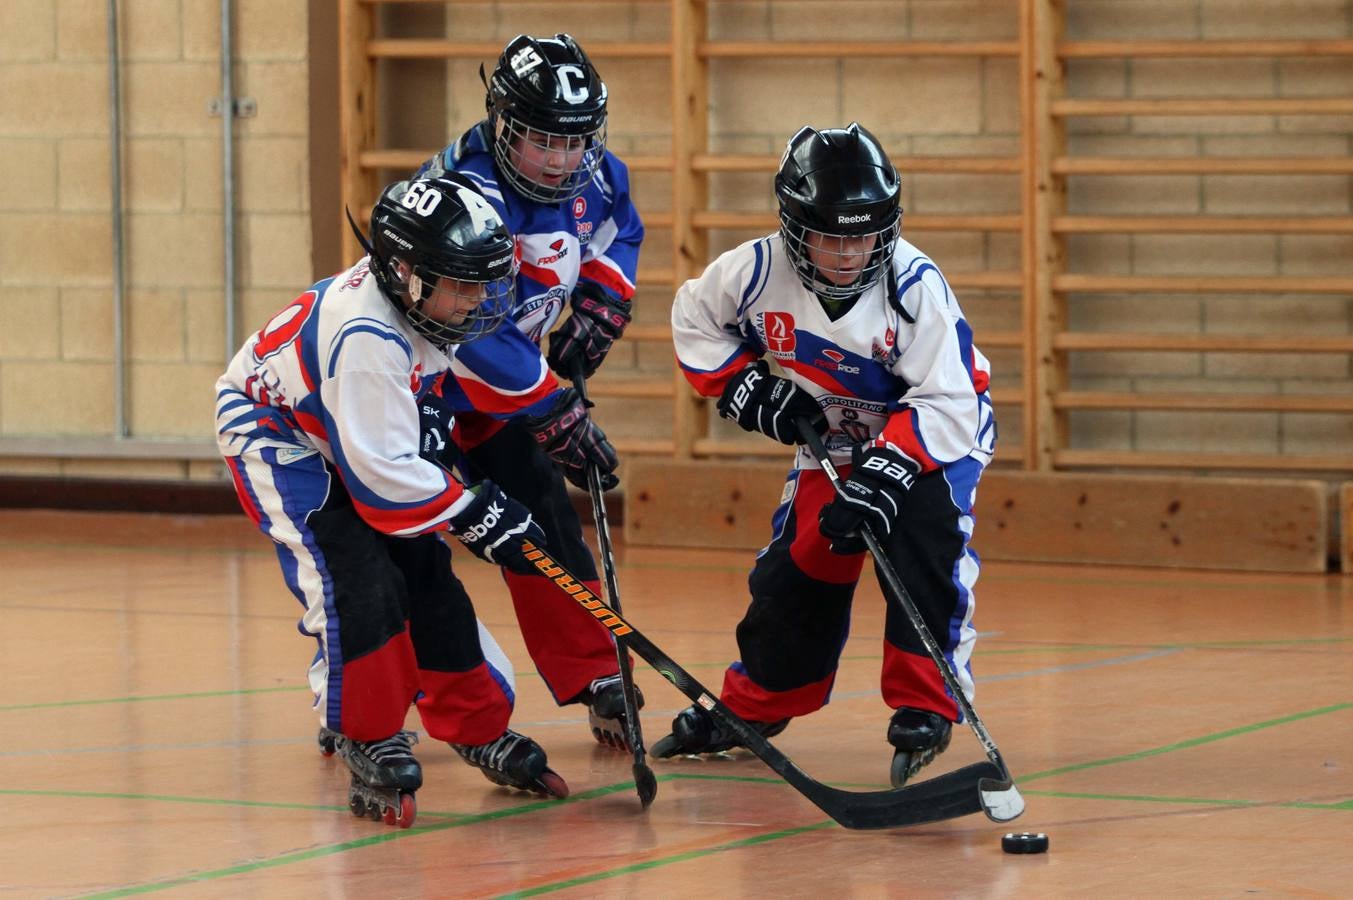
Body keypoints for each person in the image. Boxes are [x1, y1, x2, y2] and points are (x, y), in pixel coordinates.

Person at [214, 173, 600, 826]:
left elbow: (492, 378)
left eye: (485, 281)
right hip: (282, 435)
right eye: (463, 283)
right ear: (403, 272)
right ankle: (365, 731)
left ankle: (474, 723)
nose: (478, 298)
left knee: (427, 576)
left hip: (353, 427)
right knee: (356, 577)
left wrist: (561, 416)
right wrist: (478, 511)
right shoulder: (365, 339)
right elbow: (384, 482)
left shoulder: (435, 303)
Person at [658, 123, 996, 787]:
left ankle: (927, 707)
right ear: (794, 225)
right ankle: (757, 703)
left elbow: (950, 402)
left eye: (863, 235)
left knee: (920, 544)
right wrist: (745, 389)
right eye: (831, 235)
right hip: (834, 441)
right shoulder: (751, 273)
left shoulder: (913, 285)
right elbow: (692, 321)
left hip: (931, 438)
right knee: (799, 565)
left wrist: (890, 469)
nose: (848, 253)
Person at [414, 32, 646, 750]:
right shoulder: (463, 192)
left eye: (574, 141)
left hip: (496, 400)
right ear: (501, 123)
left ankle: (593, 671)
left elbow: (619, 233)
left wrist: (605, 299)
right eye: (541, 140)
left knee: (544, 517)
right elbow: (472, 327)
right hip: (411, 397)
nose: (560, 159)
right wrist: (552, 406)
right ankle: (357, 691)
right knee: (405, 556)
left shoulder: (598, 176)